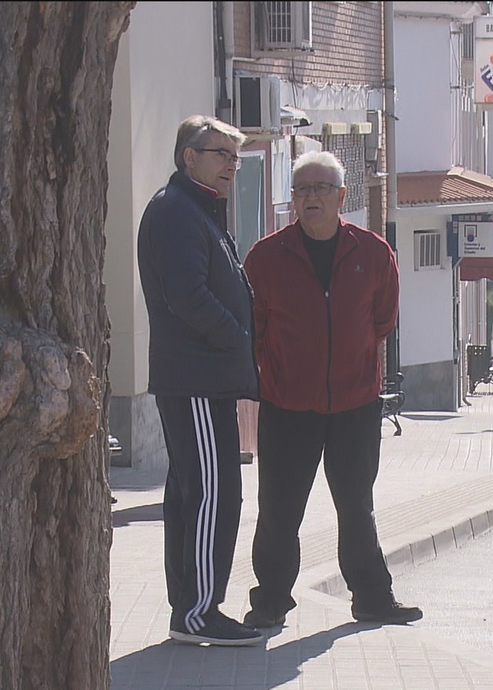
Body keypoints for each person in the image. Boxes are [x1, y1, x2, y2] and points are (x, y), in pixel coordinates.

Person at [242, 151, 422, 628]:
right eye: (301, 190)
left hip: (354, 404)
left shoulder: (372, 252)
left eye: (321, 188)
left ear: (342, 196)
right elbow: (254, 327)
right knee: (279, 510)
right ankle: (270, 603)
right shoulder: (266, 257)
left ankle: (371, 598)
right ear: (292, 200)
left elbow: (383, 319)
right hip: (287, 405)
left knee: (356, 505)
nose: (311, 198)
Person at [136, 116, 262, 646]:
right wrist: (237, 337)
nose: (231, 165)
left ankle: (189, 607)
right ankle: (198, 611)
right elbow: (185, 295)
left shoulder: (199, 210)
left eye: (235, 156)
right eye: (220, 154)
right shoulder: (177, 212)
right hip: (197, 379)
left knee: (195, 493)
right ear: (189, 156)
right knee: (214, 494)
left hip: (203, 378)